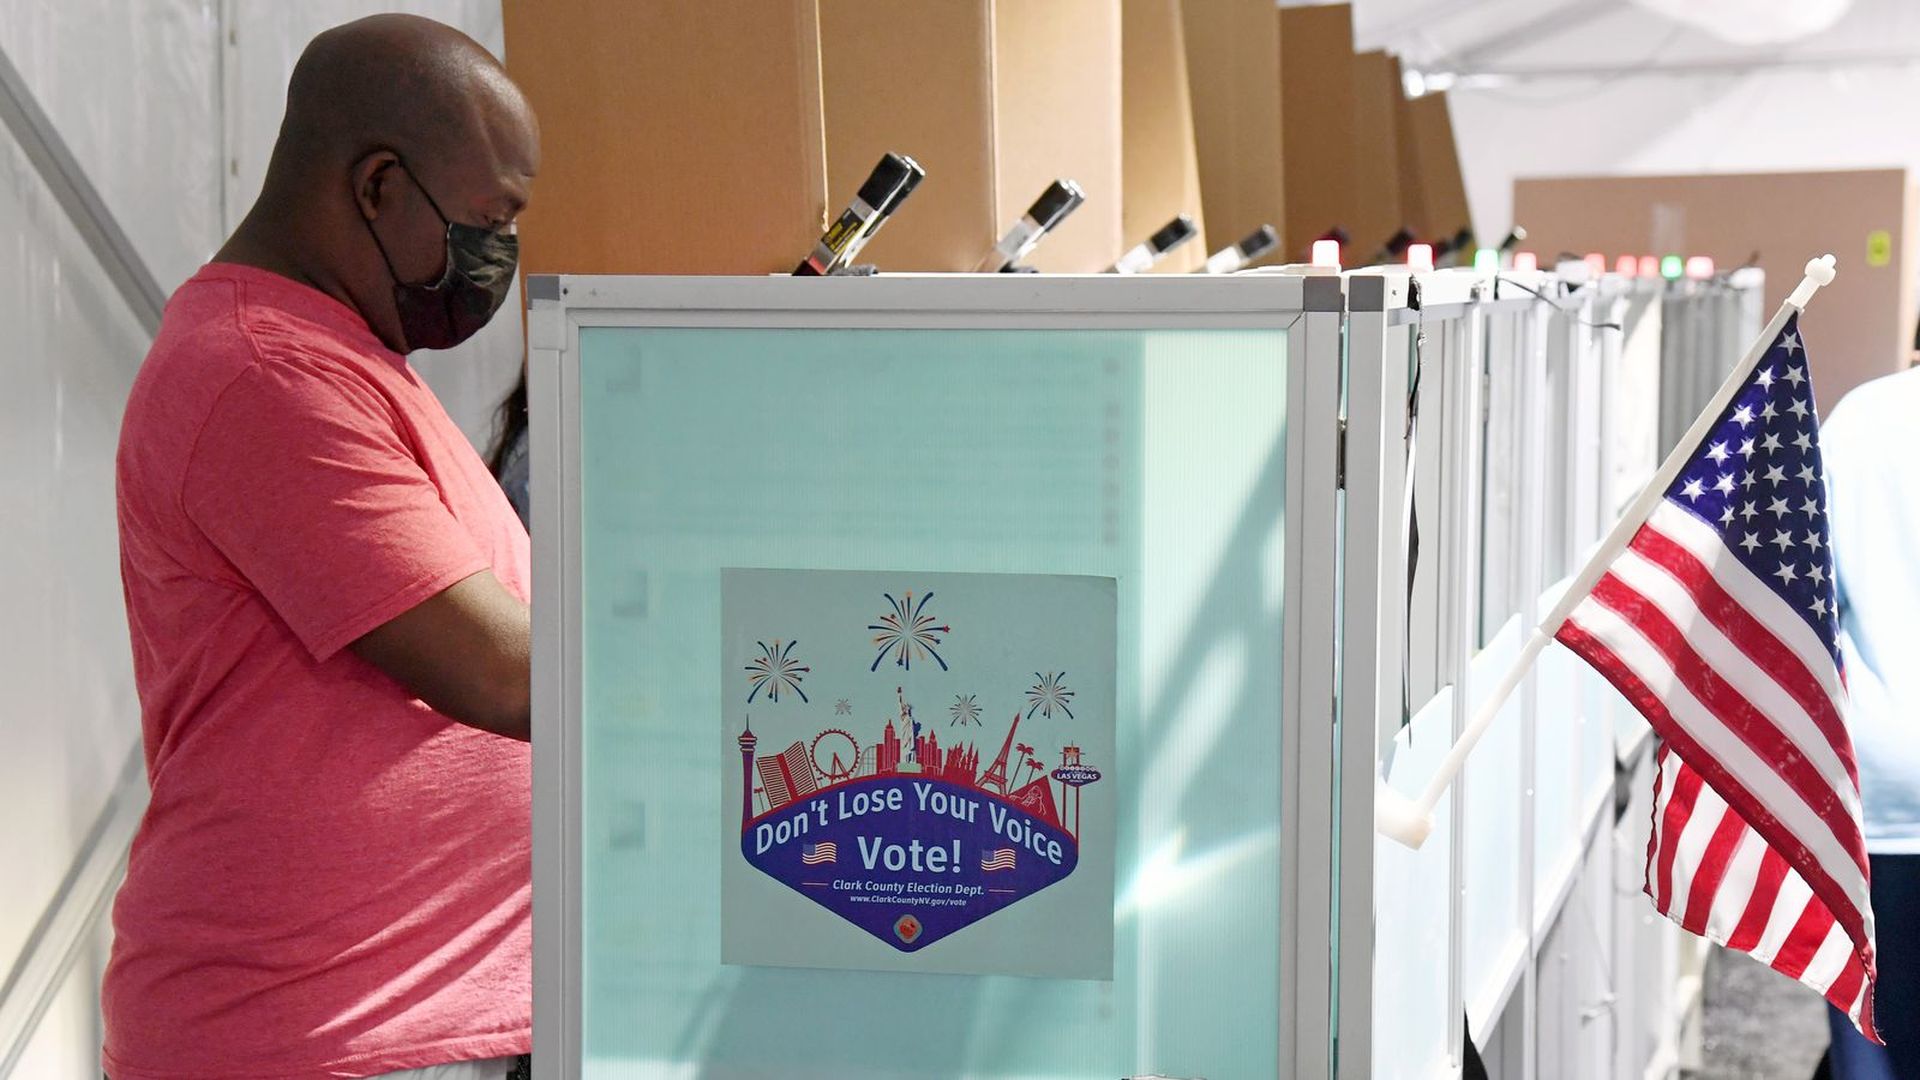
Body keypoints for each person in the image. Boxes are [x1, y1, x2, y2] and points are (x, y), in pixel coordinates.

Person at [109, 15, 538, 1080]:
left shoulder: (347, 362)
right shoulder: (264, 375)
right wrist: (769, 665)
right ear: (378, 186)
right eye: (490, 221)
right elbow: (504, 675)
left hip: (399, 1021)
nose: (500, 262)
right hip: (321, 1035)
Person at [1819, 365, 1920, 1080]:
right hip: (1879, 790)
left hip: (1883, 775)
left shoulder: (1862, 418)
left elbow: (1806, 596)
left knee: (1877, 1034)